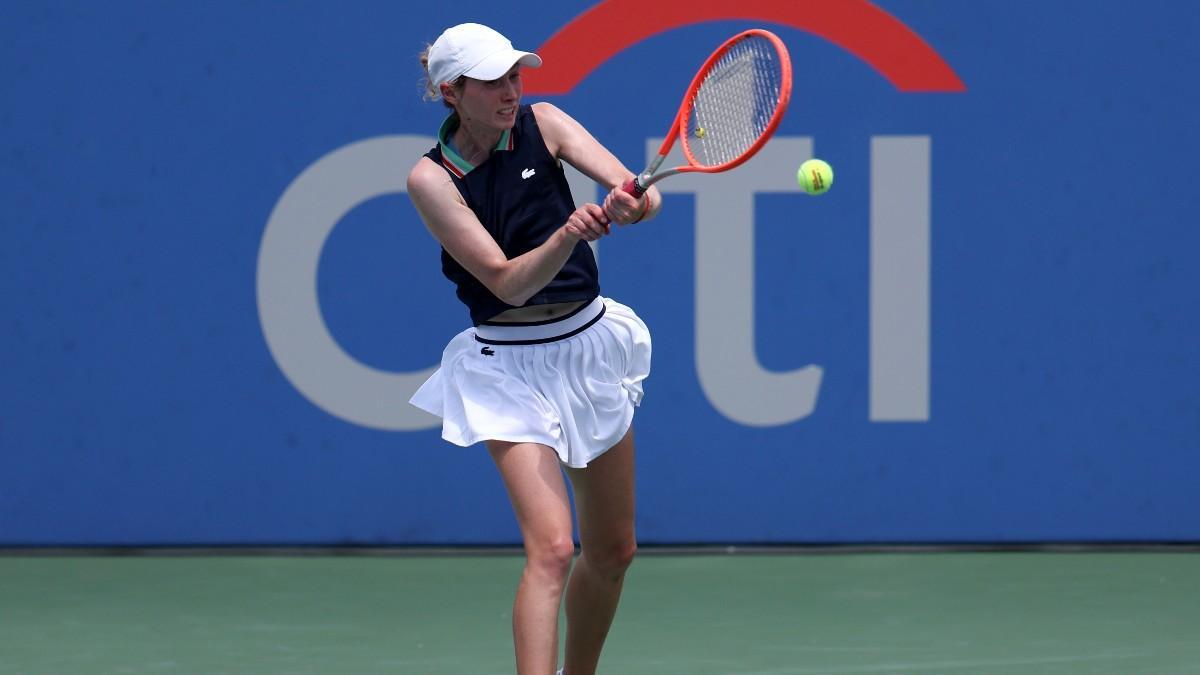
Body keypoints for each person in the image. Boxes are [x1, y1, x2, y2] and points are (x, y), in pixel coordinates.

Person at [406, 22, 661, 675]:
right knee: (551, 549)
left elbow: (643, 194)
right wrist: (568, 234)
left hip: (588, 348)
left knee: (613, 551)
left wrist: (631, 204)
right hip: (507, 368)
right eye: (492, 82)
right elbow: (505, 283)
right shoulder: (431, 179)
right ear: (451, 91)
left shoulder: (546, 123)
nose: (510, 92)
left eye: (514, 76)